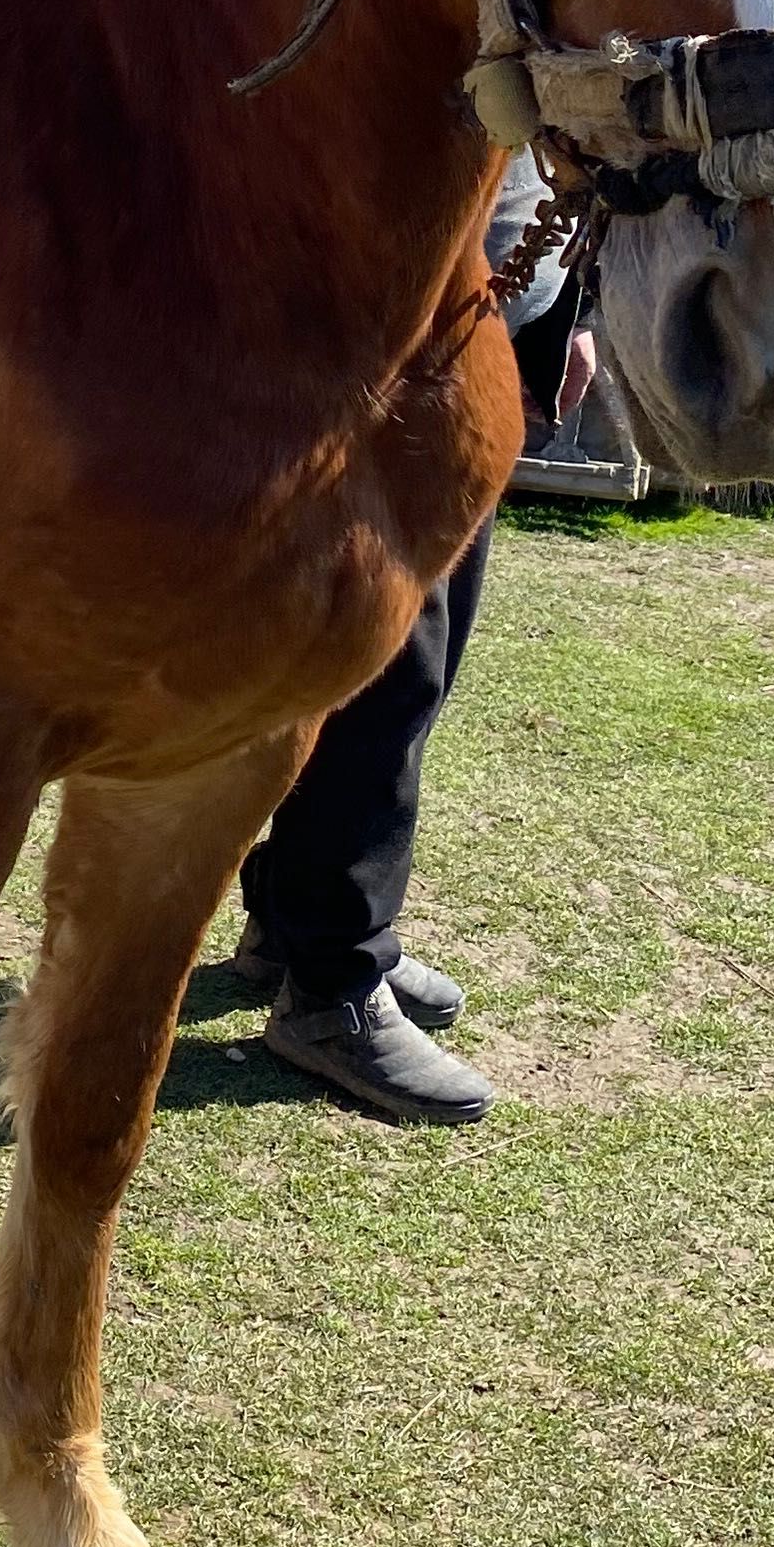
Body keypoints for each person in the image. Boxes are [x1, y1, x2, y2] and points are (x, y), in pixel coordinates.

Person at [232, 147, 592, 1123]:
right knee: (393, 667)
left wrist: (564, 309)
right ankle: (334, 987)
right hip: (402, 337)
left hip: (483, 313)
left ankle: (297, 921)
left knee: (418, 664)